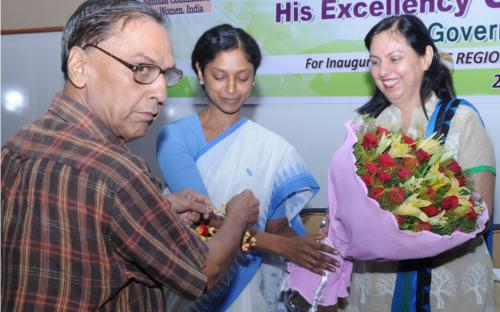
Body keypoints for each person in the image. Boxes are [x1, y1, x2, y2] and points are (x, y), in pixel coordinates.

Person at [1, 1, 261, 311]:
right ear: (80, 66)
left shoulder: (18, 145)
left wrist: (161, 207)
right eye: (142, 69)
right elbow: (206, 270)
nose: (162, 93)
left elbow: (72, 233)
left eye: (165, 74)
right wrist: (237, 214)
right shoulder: (117, 173)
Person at [156, 24, 338, 312]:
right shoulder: (174, 139)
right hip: (192, 279)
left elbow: (278, 227)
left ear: (253, 78)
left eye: (242, 77)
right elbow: (206, 221)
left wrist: (314, 247)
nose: (231, 89)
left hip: (249, 286)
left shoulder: (272, 149)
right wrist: (283, 247)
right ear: (200, 72)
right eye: (219, 76)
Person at [337, 15, 496, 311]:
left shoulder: (461, 120)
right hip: (376, 287)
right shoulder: (365, 129)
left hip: (447, 285)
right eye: (375, 61)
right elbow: (347, 207)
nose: (383, 71)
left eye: (394, 58)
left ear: (425, 58)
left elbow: (481, 212)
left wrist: (417, 218)